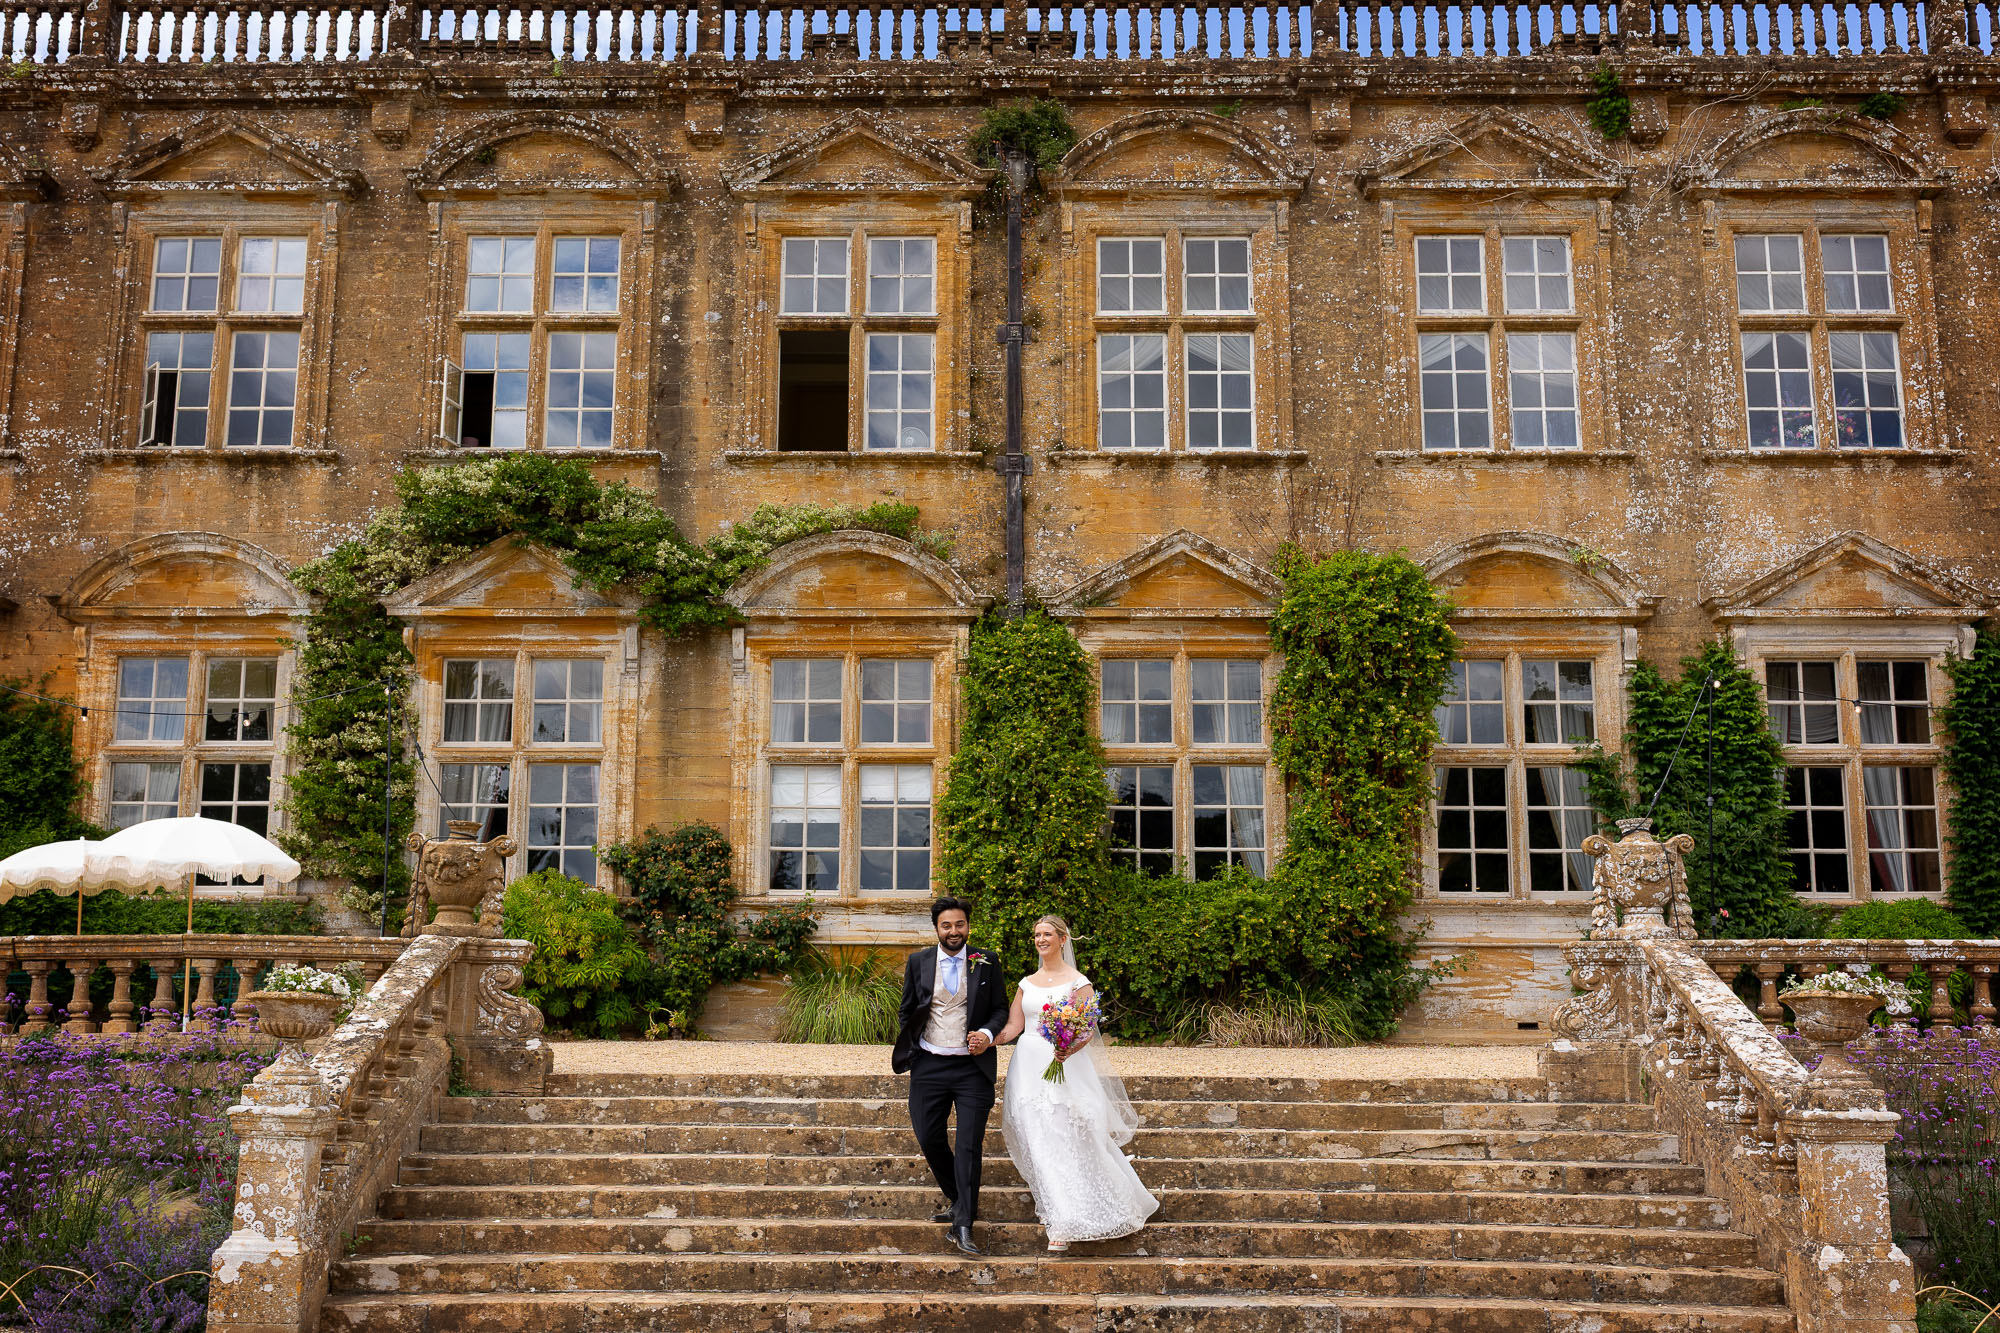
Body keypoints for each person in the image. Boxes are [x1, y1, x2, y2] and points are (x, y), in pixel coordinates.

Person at [993, 914, 1158, 1252]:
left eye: (1047, 934)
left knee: (1068, 1140)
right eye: (1037, 935)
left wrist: (1068, 1046)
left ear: (1062, 939)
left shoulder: (1077, 982)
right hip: (1028, 1069)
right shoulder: (1027, 982)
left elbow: (1086, 1027)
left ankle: (1082, 1215)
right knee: (1038, 1141)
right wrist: (989, 1038)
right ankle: (1062, 1218)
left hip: (1065, 1067)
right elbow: (1014, 1027)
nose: (1041, 940)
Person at [891, 895, 1011, 1256]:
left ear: (968, 926)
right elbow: (908, 1009)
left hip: (972, 1069)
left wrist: (987, 1035)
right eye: (947, 925)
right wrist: (912, 1049)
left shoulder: (986, 961)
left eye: (960, 924)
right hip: (929, 1065)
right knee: (928, 1137)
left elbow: (1001, 1008)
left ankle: (963, 1224)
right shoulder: (919, 961)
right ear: (936, 928)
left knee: (968, 1145)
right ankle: (961, 1199)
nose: (954, 931)